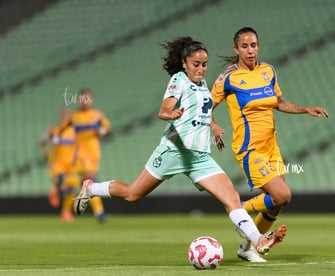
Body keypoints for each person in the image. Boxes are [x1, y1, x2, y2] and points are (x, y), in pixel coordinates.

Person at [74, 36, 281, 256]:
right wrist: (170, 113)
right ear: (184, 63)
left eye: (204, 64)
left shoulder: (202, 85)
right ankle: (91, 188)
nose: (201, 69)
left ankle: (259, 240)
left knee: (232, 198)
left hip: (199, 157)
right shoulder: (179, 80)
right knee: (133, 195)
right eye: (196, 65)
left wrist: (213, 126)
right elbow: (164, 109)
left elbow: (202, 109)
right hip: (174, 151)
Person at [211, 27, 329, 262]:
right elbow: (206, 106)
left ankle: (247, 247)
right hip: (249, 148)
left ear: (258, 46)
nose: (250, 50)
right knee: (283, 195)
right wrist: (214, 127)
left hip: (271, 147)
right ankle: (240, 209)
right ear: (236, 49)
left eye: (253, 45)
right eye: (244, 46)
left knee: (276, 204)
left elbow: (278, 102)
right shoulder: (229, 77)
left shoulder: (268, 71)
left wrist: (305, 109)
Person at [70, 88, 111, 223]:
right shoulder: (74, 116)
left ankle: (96, 211)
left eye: (88, 98)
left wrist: (102, 131)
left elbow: (107, 128)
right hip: (77, 154)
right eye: (83, 98)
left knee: (88, 181)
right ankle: (97, 212)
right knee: (87, 183)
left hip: (92, 154)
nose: (86, 101)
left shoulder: (97, 115)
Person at [40, 109, 79, 222]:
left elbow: (79, 147)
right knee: (62, 180)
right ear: (61, 117)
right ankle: (54, 190)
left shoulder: (74, 132)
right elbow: (42, 141)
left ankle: (65, 212)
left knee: (72, 188)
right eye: (64, 116)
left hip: (70, 164)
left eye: (68, 116)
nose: (66, 118)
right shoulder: (54, 130)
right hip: (57, 164)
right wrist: (46, 154)